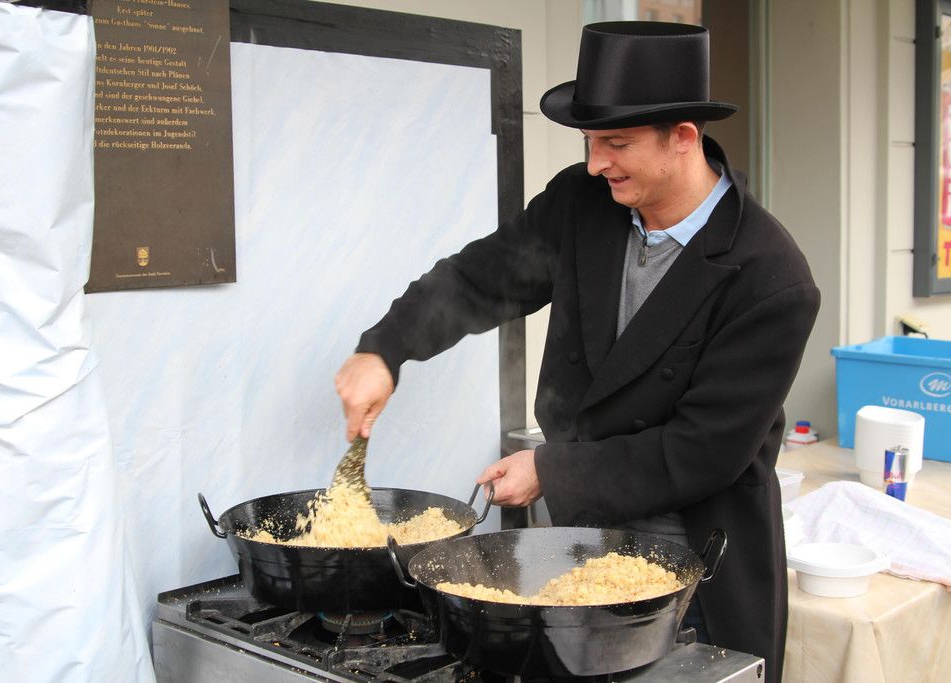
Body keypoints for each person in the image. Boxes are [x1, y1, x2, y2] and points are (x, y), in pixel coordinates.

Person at [335, 21, 819, 682]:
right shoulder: (583, 203)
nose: (596, 164)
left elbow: (700, 451)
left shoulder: (770, 277)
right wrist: (385, 349)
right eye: (590, 141)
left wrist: (552, 470)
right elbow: (480, 280)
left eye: (616, 144)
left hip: (694, 572)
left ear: (683, 137)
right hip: (576, 537)